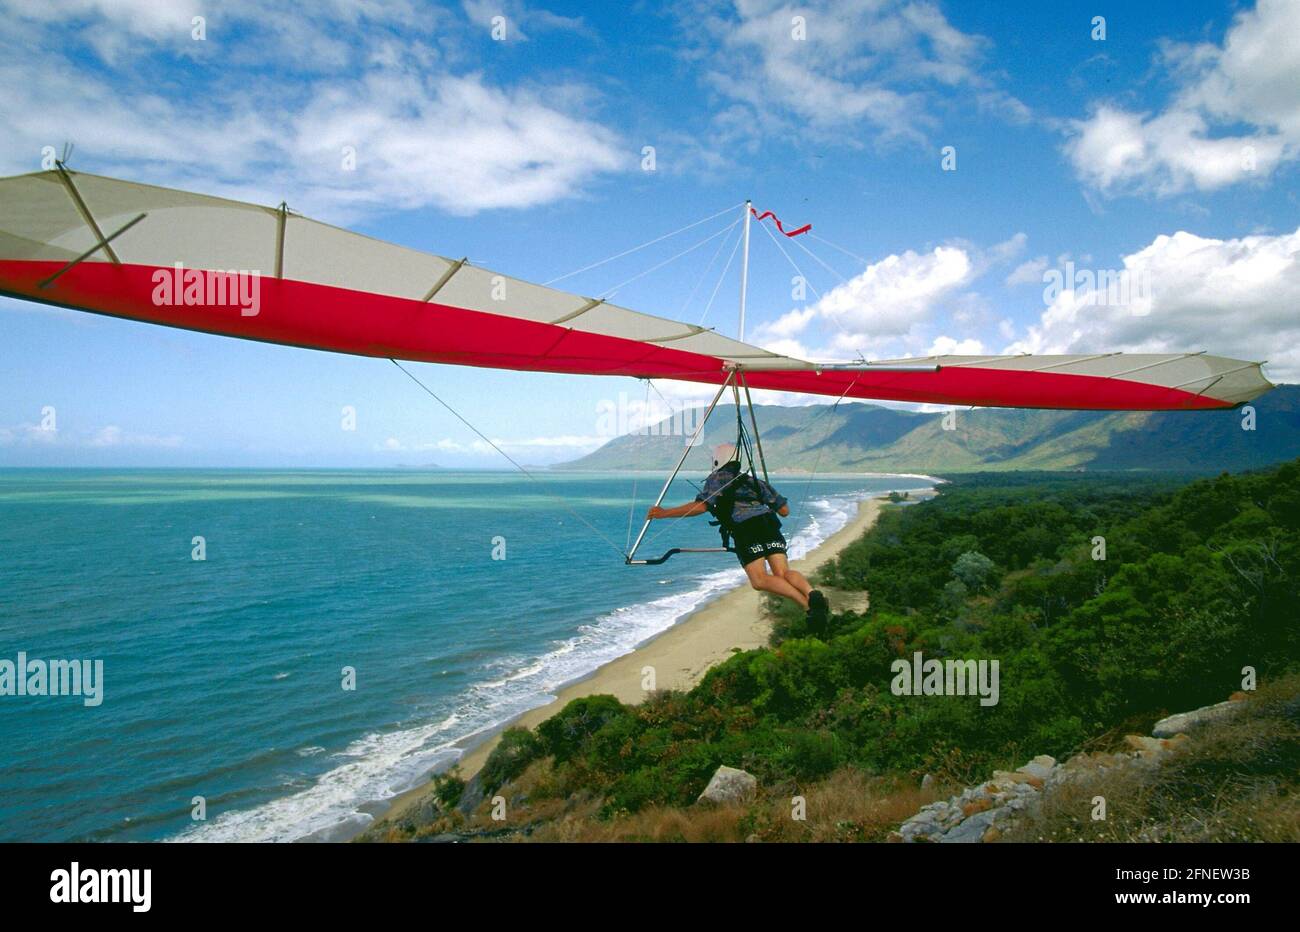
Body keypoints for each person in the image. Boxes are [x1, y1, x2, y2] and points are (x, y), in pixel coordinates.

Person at [646, 443, 831, 629]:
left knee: (759, 580)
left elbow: (701, 507)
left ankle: (807, 606)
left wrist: (664, 513)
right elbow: (784, 511)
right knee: (783, 573)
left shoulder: (717, 479)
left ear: (718, 460)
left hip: (746, 528)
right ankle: (811, 593)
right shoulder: (754, 482)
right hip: (769, 525)